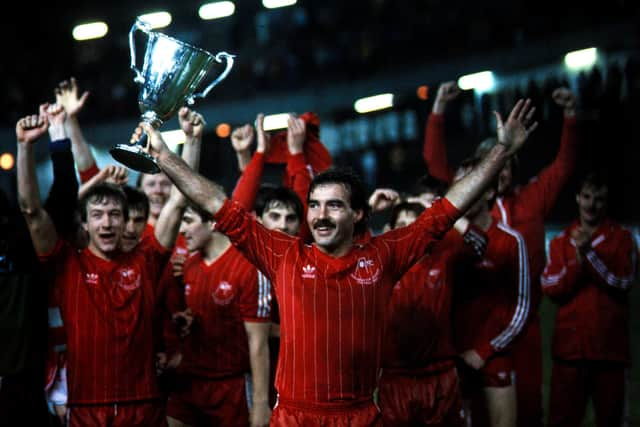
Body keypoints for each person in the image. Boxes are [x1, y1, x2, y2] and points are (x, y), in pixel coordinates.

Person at [133, 98, 537, 425]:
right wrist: (166, 157)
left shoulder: (384, 256)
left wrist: (501, 151)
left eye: (334, 206)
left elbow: (449, 207)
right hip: (293, 417)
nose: (320, 216)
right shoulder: (282, 255)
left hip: (357, 416)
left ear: (359, 214)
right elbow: (214, 202)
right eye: (314, 206)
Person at [16, 107, 187, 426]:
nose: (106, 223)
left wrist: (188, 143)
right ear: (84, 223)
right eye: (97, 215)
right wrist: (25, 146)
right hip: (87, 410)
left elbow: (178, 204)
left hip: (145, 408)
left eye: (114, 215)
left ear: (127, 222)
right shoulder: (66, 263)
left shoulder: (147, 259)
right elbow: (31, 211)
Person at [423, 81, 578, 426]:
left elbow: (564, 165)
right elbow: (436, 167)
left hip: (522, 321)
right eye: (495, 165)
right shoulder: (468, 208)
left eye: (507, 163)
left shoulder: (532, 200)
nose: (502, 171)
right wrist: (436, 113)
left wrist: (570, 117)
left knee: (527, 407)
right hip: (468, 325)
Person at [372, 188, 487, 426]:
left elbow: (479, 241)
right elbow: (343, 241)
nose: (407, 230)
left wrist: (436, 205)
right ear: (388, 231)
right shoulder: (378, 266)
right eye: (401, 224)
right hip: (396, 379)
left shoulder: (444, 258)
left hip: (440, 376)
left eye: (414, 225)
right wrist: (371, 208)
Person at [161, 203, 272, 427]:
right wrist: (187, 320)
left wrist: (261, 403)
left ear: (212, 223)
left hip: (231, 387)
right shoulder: (190, 265)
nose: (182, 230)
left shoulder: (248, 266)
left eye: (188, 221)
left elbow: (258, 340)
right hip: (190, 383)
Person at [541, 172, 637, 427]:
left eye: (599, 199)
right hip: (569, 353)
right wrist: (578, 261)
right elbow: (551, 288)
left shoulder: (622, 239)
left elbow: (623, 282)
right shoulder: (560, 241)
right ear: (577, 198)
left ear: (606, 202)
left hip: (610, 353)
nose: (591, 204)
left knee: (612, 420)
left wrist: (589, 255)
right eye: (586, 196)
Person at [451, 159, 530, 427]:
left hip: (494, 357)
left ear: (488, 192)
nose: (466, 193)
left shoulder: (510, 240)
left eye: (474, 186)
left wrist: (484, 351)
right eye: (461, 186)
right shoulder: (443, 241)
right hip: (452, 359)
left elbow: (521, 307)